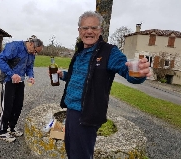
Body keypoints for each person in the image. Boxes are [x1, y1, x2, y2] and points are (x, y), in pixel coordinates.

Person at [57, 11, 151, 159]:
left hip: (86, 114)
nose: (89, 31)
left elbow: (126, 70)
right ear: (79, 31)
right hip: (71, 111)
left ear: (100, 31)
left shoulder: (109, 52)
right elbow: (79, 76)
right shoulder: (80, 51)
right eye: (85, 28)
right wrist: (64, 75)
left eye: (94, 28)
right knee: (71, 151)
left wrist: (139, 73)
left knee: (80, 155)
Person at [0, 35, 43, 142]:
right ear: (31, 44)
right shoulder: (14, 47)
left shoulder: (31, 53)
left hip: (20, 81)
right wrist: (12, 74)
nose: (35, 54)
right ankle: (2, 131)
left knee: (18, 105)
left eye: (37, 52)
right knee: (7, 106)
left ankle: (11, 127)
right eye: (35, 51)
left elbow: (29, 67)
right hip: (8, 80)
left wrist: (31, 76)